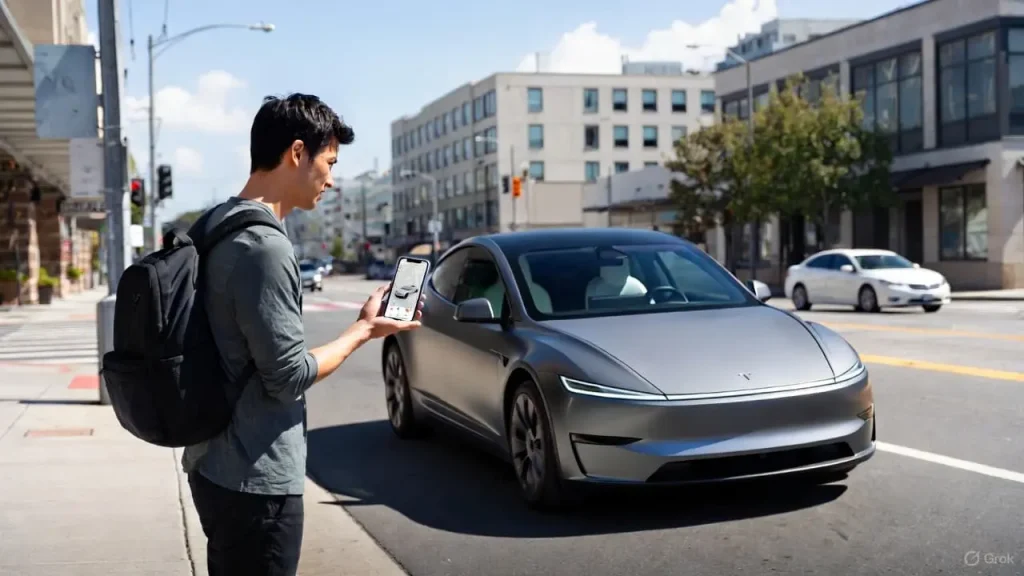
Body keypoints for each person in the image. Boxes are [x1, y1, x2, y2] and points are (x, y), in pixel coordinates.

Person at [182, 93, 423, 576]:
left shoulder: (217, 223)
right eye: (329, 162)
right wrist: (363, 330)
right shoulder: (265, 248)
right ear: (297, 153)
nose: (331, 179)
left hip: (215, 461)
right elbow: (288, 375)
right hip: (255, 477)